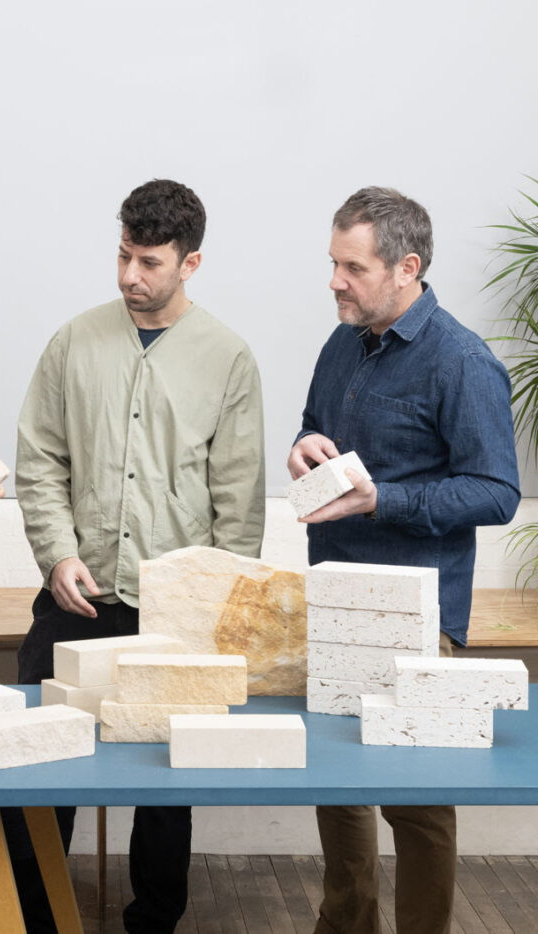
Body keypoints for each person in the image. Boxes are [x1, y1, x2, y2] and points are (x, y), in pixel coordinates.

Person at [17, 178, 265, 933]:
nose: (130, 275)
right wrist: (57, 556)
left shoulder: (228, 359)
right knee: (38, 759)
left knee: (165, 783)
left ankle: (153, 919)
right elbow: (39, 461)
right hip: (75, 595)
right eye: (123, 255)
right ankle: (30, 915)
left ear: (190, 263)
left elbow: (239, 503)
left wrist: (209, 612)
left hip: (172, 611)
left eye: (149, 261)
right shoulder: (72, 342)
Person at [288, 186, 521, 934]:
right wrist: (304, 448)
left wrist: (381, 500)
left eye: (351, 267)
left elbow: (496, 492)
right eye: (333, 263)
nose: (335, 280)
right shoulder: (341, 341)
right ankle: (345, 926)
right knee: (339, 788)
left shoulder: (463, 362)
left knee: (417, 801)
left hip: (421, 621)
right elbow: (312, 429)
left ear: (405, 267)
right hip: (336, 606)